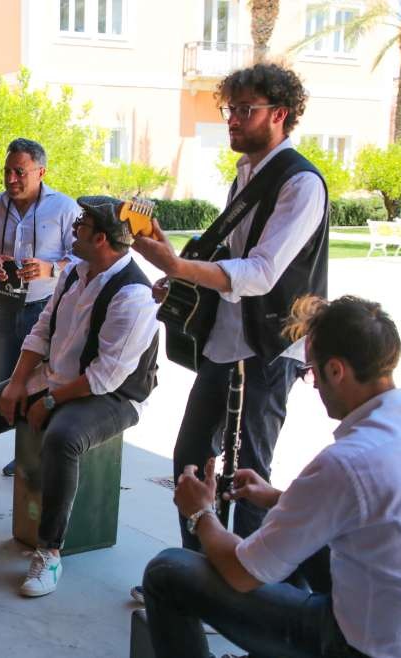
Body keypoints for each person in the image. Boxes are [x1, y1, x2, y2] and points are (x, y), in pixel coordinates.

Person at [141, 295, 401, 657]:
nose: (313, 384)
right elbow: (383, 514)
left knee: (167, 572)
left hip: (358, 648)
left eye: (311, 372)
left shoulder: (348, 462)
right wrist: (279, 499)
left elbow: (240, 574)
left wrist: (200, 513)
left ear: (336, 370)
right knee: (299, 541)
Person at [0, 196, 160, 597]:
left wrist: (48, 401)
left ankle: (50, 551)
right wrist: (15, 384)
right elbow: (42, 330)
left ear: (100, 238)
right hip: (58, 377)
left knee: (63, 439)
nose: (73, 227)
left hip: (114, 396)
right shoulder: (76, 272)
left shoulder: (134, 295)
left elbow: (105, 375)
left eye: (81, 223)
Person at [131, 62, 329, 552]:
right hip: (227, 342)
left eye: (245, 110)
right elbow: (229, 259)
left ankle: (244, 582)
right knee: (191, 461)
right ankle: (200, 568)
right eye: (230, 109)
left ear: (280, 114)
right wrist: (178, 276)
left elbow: (260, 273)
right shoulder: (248, 175)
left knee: (248, 475)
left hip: (268, 347)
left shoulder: (301, 183)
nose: (232, 120)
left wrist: (179, 268)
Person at [0, 137, 80, 478]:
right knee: (4, 381)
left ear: (41, 171)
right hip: (6, 306)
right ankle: (24, 451)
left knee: (41, 384)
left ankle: (37, 455)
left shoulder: (64, 208)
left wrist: (51, 268)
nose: (11, 179)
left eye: (20, 172)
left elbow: (82, 260)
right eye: (7, 171)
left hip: (47, 308)